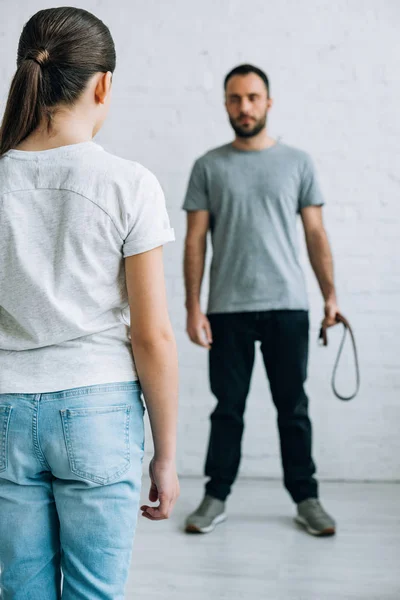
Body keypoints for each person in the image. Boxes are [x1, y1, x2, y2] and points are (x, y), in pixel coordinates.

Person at [0, 7, 179, 599]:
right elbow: (151, 336)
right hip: (98, 409)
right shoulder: (128, 184)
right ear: (102, 84)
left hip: (4, 411)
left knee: (21, 591)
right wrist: (167, 455)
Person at [183, 64, 338, 537]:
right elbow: (195, 241)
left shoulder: (298, 162)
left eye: (252, 97)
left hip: (287, 306)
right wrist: (193, 307)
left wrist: (331, 296)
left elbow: (315, 232)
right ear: (226, 104)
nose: (244, 107)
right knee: (227, 408)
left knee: (293, 406)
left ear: (268, 102)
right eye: (235, 98)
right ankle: (215, 496)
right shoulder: (208, 165)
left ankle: (306, 498)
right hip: (227, 309)